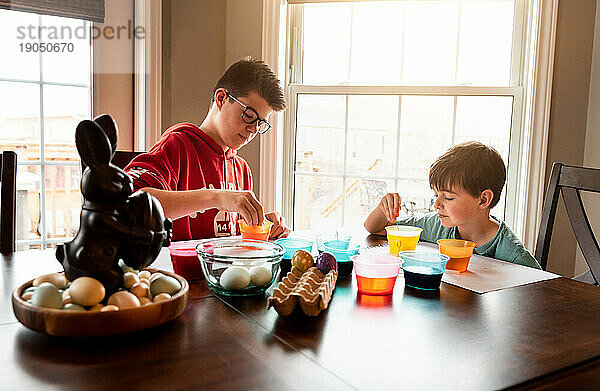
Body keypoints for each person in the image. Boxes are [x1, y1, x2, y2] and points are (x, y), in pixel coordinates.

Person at [123, 57, 290, 241]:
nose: (253, 129)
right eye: (249, 115)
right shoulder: (178, 145)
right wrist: (216, 197)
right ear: (221, 98)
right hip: (174, 270)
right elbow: (128, 202)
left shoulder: (242, 170)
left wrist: (263, 228)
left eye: (260, 123)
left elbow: (235, 244)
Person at [364, 141, 540, 269]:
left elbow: (542, 290)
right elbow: (376, 229)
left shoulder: (513, 255)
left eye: (448, 197)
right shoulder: (437, 225)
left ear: (483, 200)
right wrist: (382, 209)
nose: (437, 205)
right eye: (435, 195)